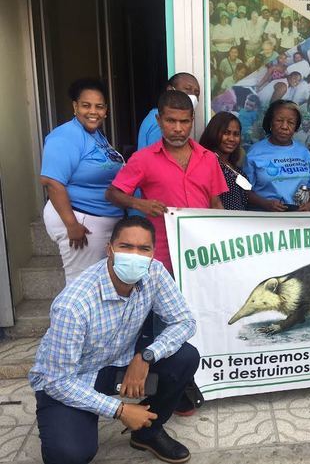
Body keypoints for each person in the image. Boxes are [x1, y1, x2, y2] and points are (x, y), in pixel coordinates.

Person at [29, 216, 199, 464]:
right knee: (70, 454)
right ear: (109, 249)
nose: (135, 255)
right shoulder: (74, 305)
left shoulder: (155, 272)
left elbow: (184, 321)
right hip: (72, 379)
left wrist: (146, 356)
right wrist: (120, 410)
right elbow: (57, 381)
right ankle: (76, 417)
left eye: (144, 249)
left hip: (120, 368)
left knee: (185, 357)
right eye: (125, 246)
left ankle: (147, 433)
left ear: (153, 252)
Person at [106, 90, 227, 274]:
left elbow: (216, 203)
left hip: (202, 254)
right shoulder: (143, 159)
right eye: (171, 120)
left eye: (184, 121)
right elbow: (112, 193)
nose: (178, 128)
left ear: (192, 120)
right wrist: (139, 204)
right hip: (162, 255)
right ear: (159, 120)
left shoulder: (209, 158)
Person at [40, 78, 124, 283]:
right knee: (82, 286)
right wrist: (72, 225)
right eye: (86, 105)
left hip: (98, 220)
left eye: (99, 106)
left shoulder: (95, 135)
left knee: (97, 284)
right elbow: (52, 182)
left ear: (106, 110)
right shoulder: (65, 136)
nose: (93, 111)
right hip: (82, 222)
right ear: (75, 106)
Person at [244, 100, 310, 212]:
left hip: (298, 221)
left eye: (291, 122)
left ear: (296, 127)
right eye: (279, 120)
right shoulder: (254, 153)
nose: (284, 126)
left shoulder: (304, 153)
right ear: (270, 123)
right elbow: (245, 191)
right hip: (264, 221)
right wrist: (265, 204)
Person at [137, 73, 200, 150]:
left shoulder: (155, 115)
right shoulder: (160, 122)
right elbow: (159, 157)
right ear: (170, 89)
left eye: (196, 93)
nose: (193, 95)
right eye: (187, 89)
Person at [199, 112, 249, 210]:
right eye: (226, 133)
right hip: (221, 223)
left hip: (241, 223)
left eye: (236, 134)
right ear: (214, 133)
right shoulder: (205, 164)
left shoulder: (234, 166)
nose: (231, 139)